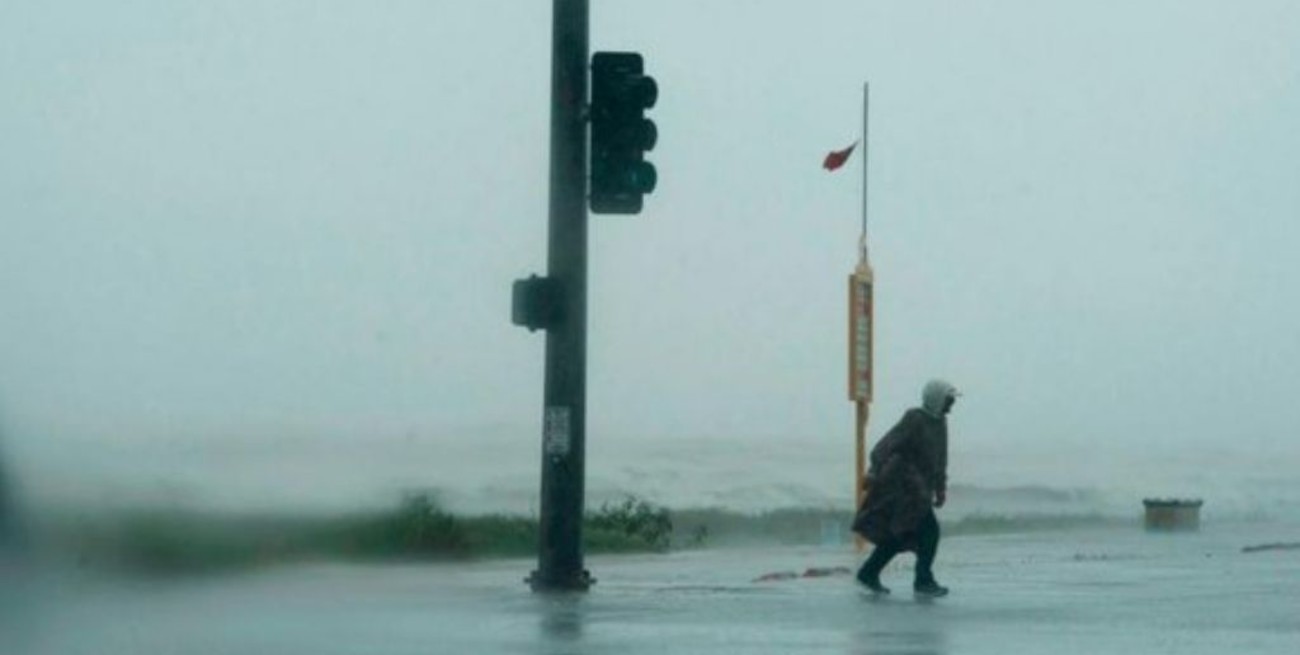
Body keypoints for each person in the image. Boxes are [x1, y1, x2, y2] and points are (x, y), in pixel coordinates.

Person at [853, 379, 959, 597]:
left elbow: (941, 459)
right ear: (936, 398)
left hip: (921, 490)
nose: (950, 406)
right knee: (929, 531)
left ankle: (868, 573)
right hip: (901, 487)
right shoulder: (915, 419)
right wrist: (873, 471)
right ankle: (923, 581)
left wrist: (940, 488)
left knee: (899, 533)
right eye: (948, 401)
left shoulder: (940, 422)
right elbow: (886, 445)